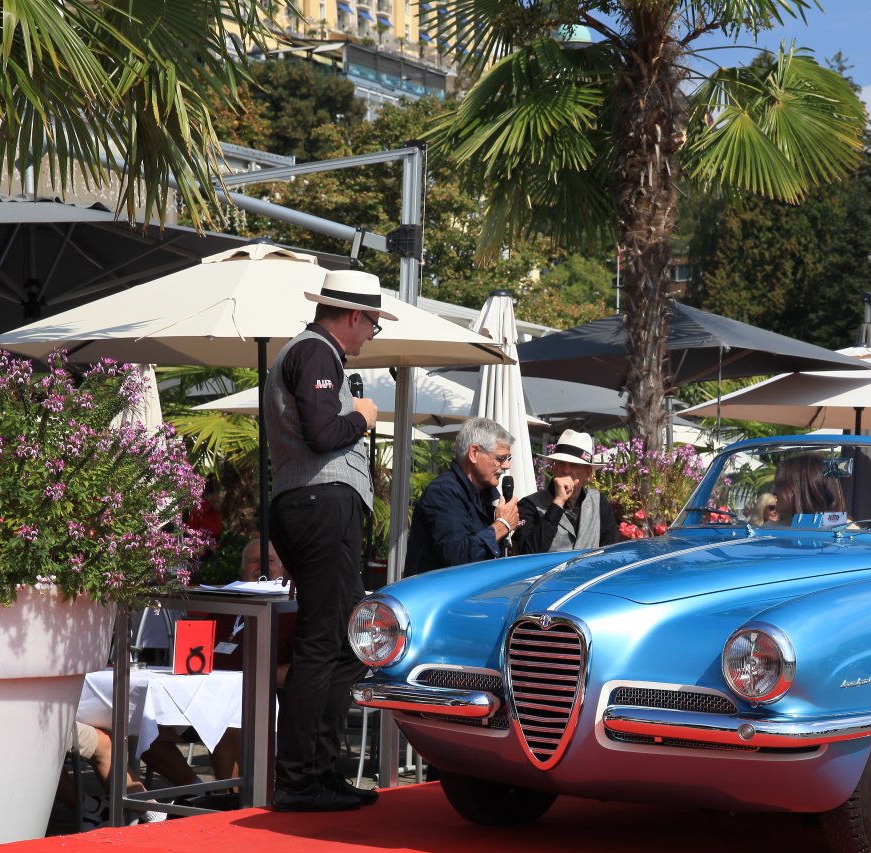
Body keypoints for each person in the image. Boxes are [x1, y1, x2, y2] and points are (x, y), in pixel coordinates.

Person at [263, 267, 388, 813]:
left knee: (342, 642)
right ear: (355, 316)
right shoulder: (315, 352)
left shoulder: (312, 353)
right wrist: (361, 417)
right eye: (374, 325)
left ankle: (318, 769)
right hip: (319, 504)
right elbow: (322, 434)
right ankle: (299, 778)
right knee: (326, 642)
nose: (372, 335)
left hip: (310, 505)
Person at [401, 417, 521, 576]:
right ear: (474, 453)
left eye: (508, 458)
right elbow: (458, 557)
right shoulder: (442, 493)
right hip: (437, 591)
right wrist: (501, 526)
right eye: (501, 458)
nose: (506, 466)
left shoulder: (489, 496)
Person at [512, 429, 620, 554]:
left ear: (587, 473)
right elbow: (527, 553)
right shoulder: (529, 504)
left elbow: (611, 551)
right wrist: (558, 503)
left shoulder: (598, 502)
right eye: (561, 463)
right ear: (553, 468)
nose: (566, 470)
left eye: (574, 464)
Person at [773, 453, 848, 523]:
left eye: (780, 485)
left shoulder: (847, 531)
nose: (773, 492)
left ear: (806, 488)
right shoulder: (775, 529)